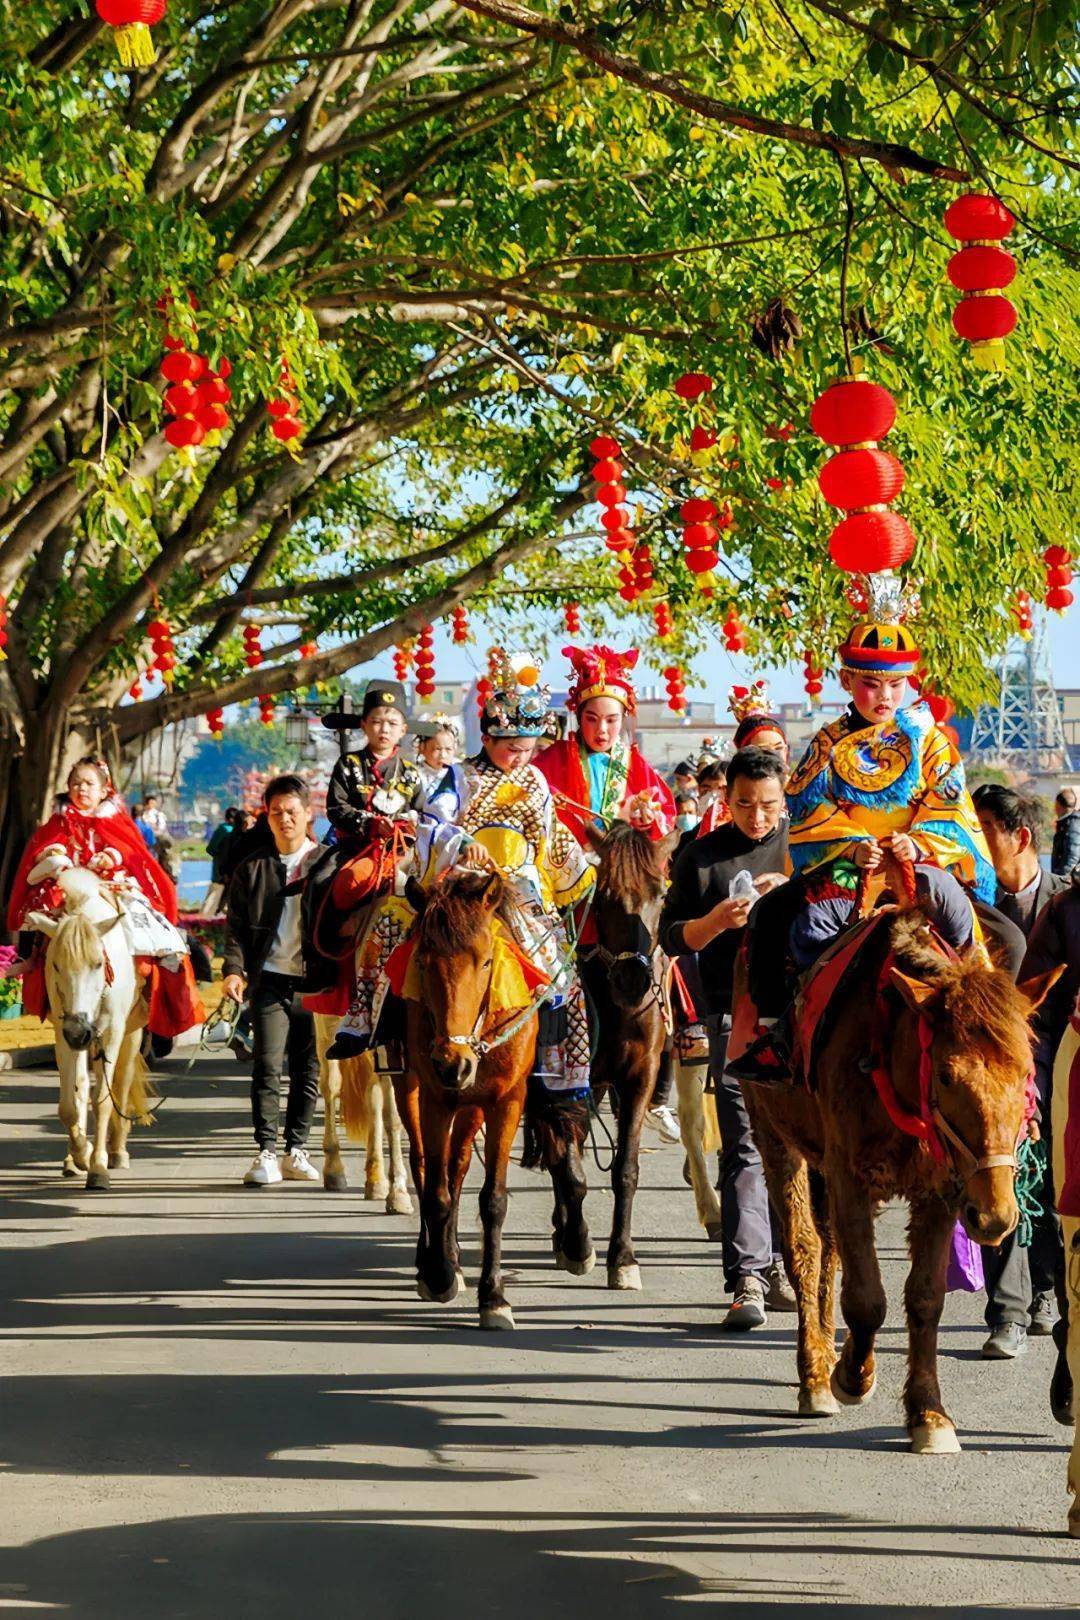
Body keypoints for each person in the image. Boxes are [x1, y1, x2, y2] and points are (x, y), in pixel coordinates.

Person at [732, 573, 994, 1081]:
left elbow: (952, 806)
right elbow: (806, 810)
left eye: (896, 684)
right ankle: (777, 1037)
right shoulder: (827, 744)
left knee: (1008, 938)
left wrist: (916, 843)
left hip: (921, 866)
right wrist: (853, 848)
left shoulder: (933, 742)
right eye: (872, 684)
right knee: (770, 918)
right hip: (847, 869)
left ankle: (987, 1022)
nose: (885, 696)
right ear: (849, 681)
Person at [660, 748, 793, 1329]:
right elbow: (670, 937)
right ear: (726, 799)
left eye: (768, 806)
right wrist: (717, 921)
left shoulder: (806, 847)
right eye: (743, 804)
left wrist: (789, 887)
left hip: (801, 1016)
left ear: (784, 800)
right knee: (744, 1146)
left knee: (806, 1150)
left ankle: (798, 1264)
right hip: (728, 1017)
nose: (757, 817)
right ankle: (748, 1280)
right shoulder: (701, 856)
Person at [536, 642, 678, 1139]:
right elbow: (537, 820)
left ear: (624, 720)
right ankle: (543, 1055)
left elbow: (665, 817)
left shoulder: (633, 764)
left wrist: (647, 819)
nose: (602, 729)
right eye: (592, 719)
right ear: (579, 717)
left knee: (665, 949)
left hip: (618, 890)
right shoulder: (550, 763)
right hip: (566, 886)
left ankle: (680, 1039)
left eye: (611, 720)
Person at [8, 756, 203, 1039]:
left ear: (103, 790)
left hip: (109, 883)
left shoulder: (115, 820)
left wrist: (109, 856)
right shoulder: (58, 821)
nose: (81, 788)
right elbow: (47, 846)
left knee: (145, 916)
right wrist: (54, 856)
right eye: (75, 783)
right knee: (38, 910)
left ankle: (158, 968)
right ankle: (28, 957)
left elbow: (130, 851)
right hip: (69, 884)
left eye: (88, 783)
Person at [972, 783, 1067, 1357]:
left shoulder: (1066, 902)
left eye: (981, 835)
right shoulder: (971, 913)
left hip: (1059, 1071)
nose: (974, 849)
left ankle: (1049, 1293)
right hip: (998, 1077)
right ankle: (1006, 1312)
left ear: (1021, 838)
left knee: (1055, 1184)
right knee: (995, 1178)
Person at [222, 775, 331, 1187]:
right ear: (265, 818)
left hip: (315, 983)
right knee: (266, 1065)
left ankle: (296, 1150)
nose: (284, 819)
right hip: (269, 980)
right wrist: (234, 970)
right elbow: (235, 929)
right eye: (275, 813)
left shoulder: (328, 865)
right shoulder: (252, 869)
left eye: (292, 812)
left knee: (308, 1069)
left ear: (309, 815)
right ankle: (265, 1151)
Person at [326, 679, 424, 847]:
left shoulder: (410, 772)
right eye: (377, 722)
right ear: (364, 725)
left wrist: (409, 825)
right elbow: (336, 808)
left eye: (392, 723)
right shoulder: (349, 763)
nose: (385, 729)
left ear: (403, 730)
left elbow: (422, 813)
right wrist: (371, 824)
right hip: (353, 848)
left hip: (399, 850)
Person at [202, 806, 241, 917]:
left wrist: (219, 856)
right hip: (233, 870)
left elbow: (211, 849)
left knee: (214, 895)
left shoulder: (223, 829)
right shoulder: (239, 830)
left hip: (221, 868)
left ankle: (205, 919)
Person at [413, 715, 460, 793]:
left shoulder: (461, 773)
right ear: (422, 747)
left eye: (448, 749)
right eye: (438, 749)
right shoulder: (415, 775)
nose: (443, 755)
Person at [1052, 788, 1080, 877]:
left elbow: (1072, 856)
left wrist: (1061, 881)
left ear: (1058, 805)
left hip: (1066, 882)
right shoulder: (1067, 823)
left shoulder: (1072, 824)